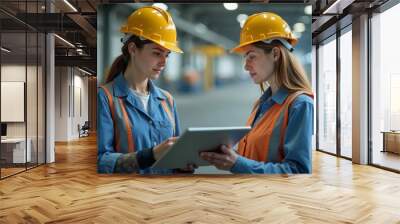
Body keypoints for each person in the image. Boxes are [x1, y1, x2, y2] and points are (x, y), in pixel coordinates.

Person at [200, 12, 314, 174]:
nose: (246, 66)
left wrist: (238, 164)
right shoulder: (262, 104)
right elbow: (257, 157)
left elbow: (299, 171)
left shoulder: (300, 105)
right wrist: (228, 156)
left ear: (275, 54)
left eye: (251, 56)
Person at [97, 6, 188, 174]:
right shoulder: (105, 98)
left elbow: (174, 152)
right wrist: (149, 156)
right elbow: (99, 161)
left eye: (167, 55)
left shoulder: (167, 100)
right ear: (132, 49)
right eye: (156, 53)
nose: (164, 62)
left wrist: (183, 164)